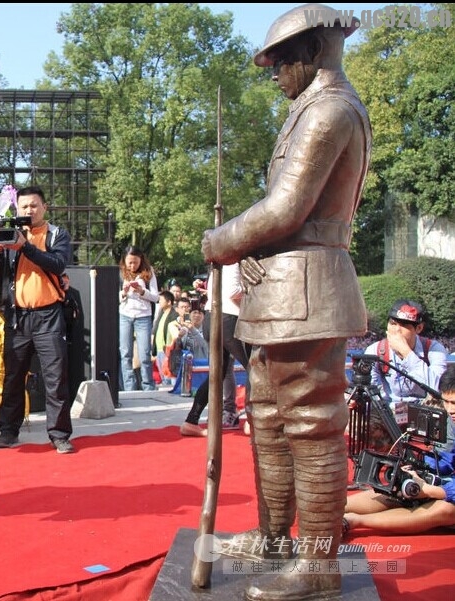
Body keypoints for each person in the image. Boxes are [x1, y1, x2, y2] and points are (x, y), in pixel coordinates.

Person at [202, 7, 372, 600]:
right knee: (269, 421)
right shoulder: (306, 110)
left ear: (315, 51)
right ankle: (276, 538)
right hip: (282, 287)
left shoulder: (327, 110)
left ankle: (318, 562)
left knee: (309, 425)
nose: (273, 72)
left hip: (309, 288)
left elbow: (287, 209)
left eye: (280, 60)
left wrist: (220, 242)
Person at [0, 185, 75, 454]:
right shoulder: (10, 234)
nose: (29, 210)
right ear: (17, 208)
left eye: (34, 205)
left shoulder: (56, 233)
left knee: (55, 377)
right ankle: (8, 430)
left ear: (44, 207)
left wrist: (25, 246)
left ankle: (59, 434)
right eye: (24, 206)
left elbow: (58, 264)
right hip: (17, 316)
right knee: (13, 376)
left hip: (49, 314)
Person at [342, 363, 455, 535]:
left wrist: (432, 490)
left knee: (446, 510)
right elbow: (445, 459)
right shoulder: (450, 420)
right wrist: (418, 471)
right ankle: (326, 507)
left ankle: (353, 521)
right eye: (446, 402)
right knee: (399, 486)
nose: (450, 409)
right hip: (447, 482)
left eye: (454, 403)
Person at [179, 263, 251, 437]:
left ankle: (191, 420)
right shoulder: (233, 260)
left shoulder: (219, 262)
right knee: (255, 368)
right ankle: (252, 419)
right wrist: (252, 292)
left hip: (212, 318)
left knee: (216, 374)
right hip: (229, 318)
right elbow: (234, 291)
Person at [364, 299, 449, 429]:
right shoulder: (375, 350)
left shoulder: (434, 349)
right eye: (393, 323)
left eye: (404, 326)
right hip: (389, 411)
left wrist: (407, 353)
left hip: (423, 410)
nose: (396, 331)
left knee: (444, 407)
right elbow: (372, 393)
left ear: (419, 328)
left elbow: (438, 388)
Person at [117, 246, 159, 391]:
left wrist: (141, 291)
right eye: (129, 262)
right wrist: (124, 292)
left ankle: (148, 385)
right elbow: (113, 297)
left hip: (143, 316)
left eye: (135, 262)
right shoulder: (120, 273)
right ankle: (129, 387)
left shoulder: (149, 273)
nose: (132, 266)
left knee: (144, 354)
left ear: (141, 260)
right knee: (125, 353)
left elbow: (156, 297)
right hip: (125, 315)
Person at [151, 291, 178, 387]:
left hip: (167, 349)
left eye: (161, 300)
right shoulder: (160, 314)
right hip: (159, 349)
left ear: (169, 302)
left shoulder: (174, 315)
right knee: (163, 376)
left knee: (168, 376)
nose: (159, 302)